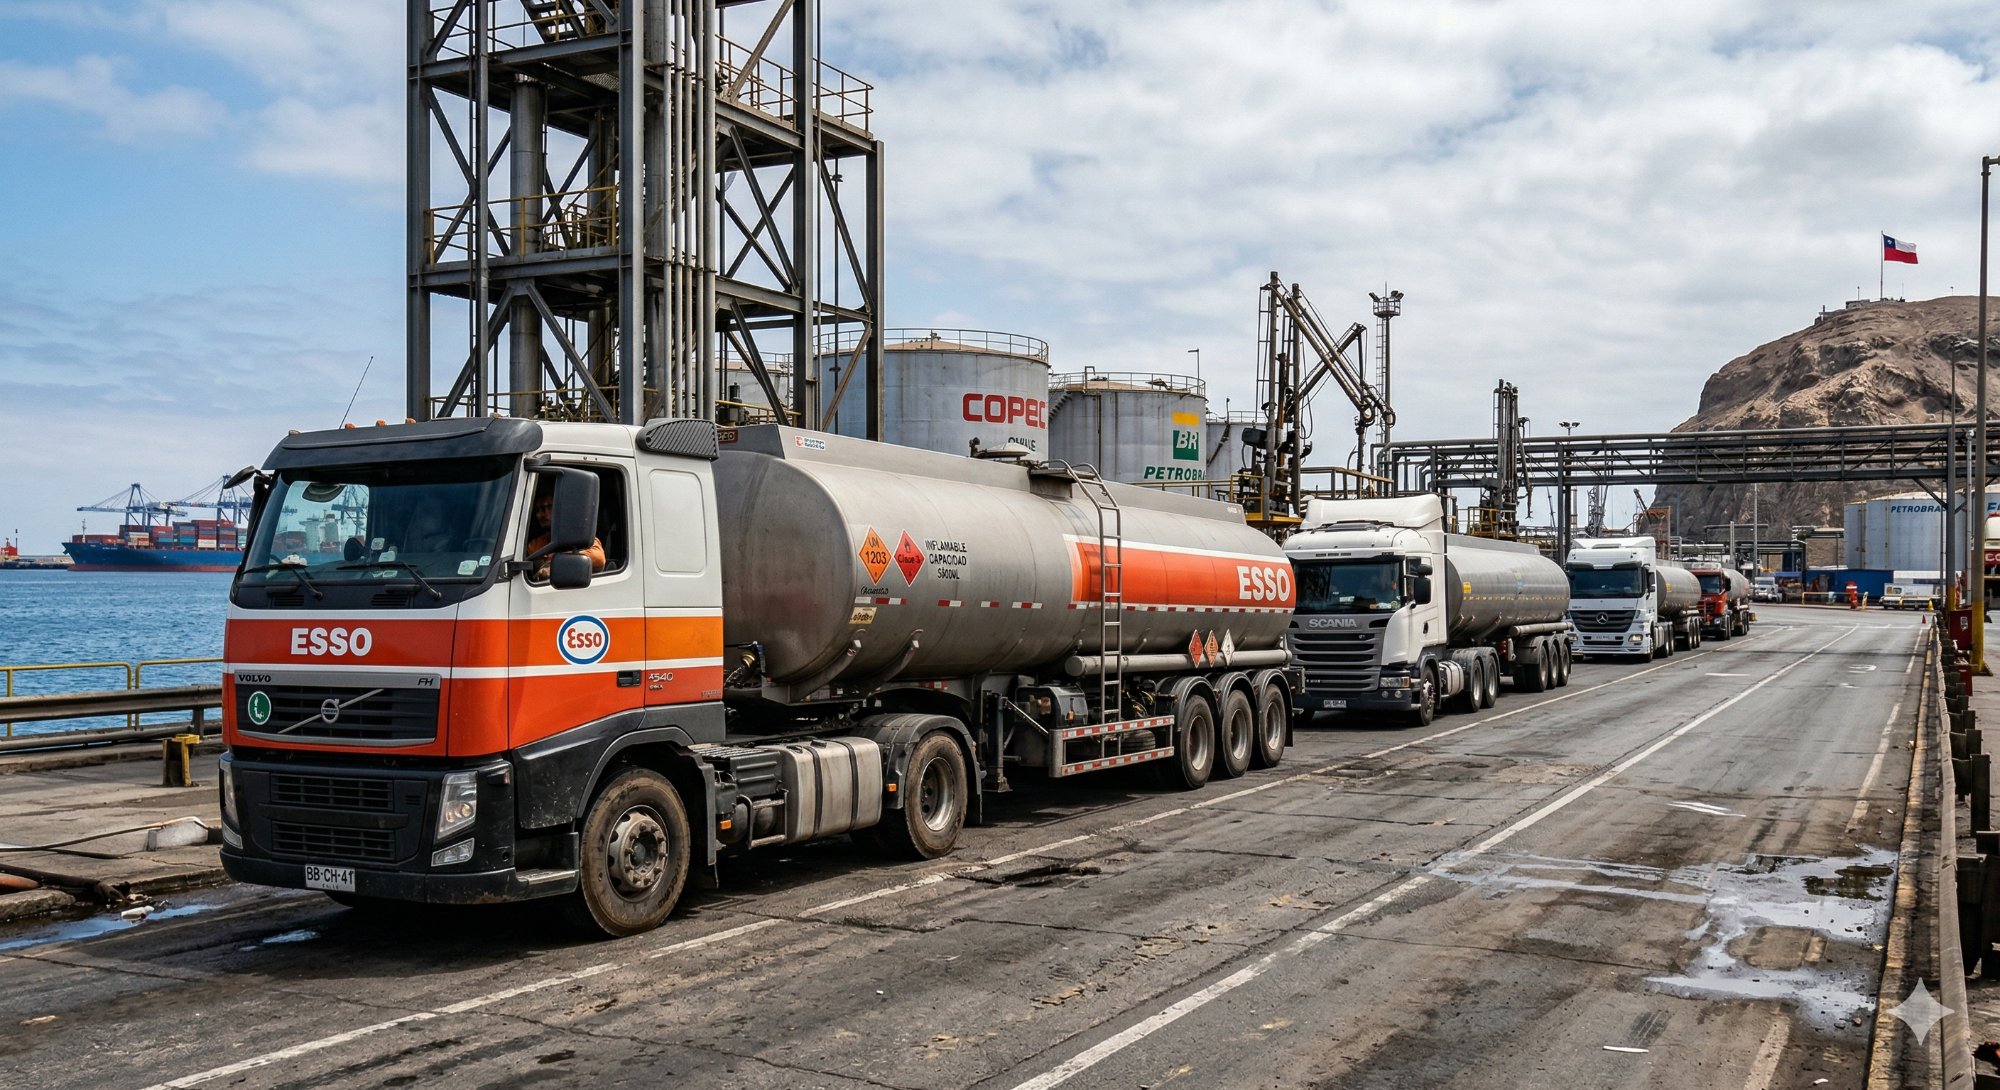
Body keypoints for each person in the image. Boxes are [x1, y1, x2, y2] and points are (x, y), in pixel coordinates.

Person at [526, 484, 606, 578]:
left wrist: (557, 561)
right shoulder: (535, 544)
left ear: (561, 509)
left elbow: (598, 558)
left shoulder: (581, 536)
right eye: (537, 510)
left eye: (546, 507)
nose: (539, 515)